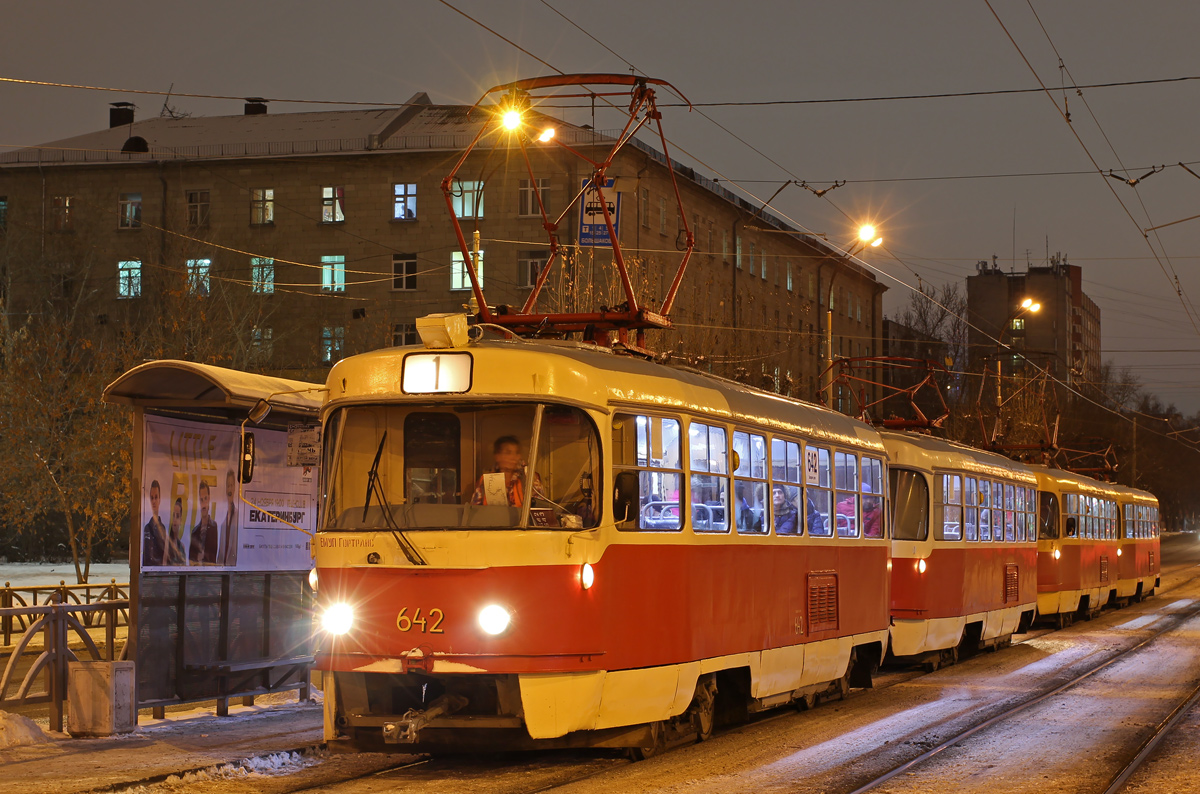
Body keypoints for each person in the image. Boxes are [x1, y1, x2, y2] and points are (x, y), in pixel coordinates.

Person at [471, 436, 543, 507]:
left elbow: (541, 508)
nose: (513, 457)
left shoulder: (529, 478)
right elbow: (474, 510)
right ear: (497, 456)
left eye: (516, 453)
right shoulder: (485, 481)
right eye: (508, 453)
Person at [189, 480, 219, 565]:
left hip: (209, 574)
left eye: (205, 498)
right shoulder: (194, 532)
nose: (203, 503)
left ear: (209, 498)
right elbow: (191, 560)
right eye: (201, 500)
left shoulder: (214, 527)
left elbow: (213, 557)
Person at [142, 480, 167, 567]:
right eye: (152, 498)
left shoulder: (162, 529)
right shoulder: (146, 528)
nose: (154, 501)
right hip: (146, 572)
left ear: (160, 499)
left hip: (158, 572)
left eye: (156, 497)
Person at [217, 470, 239, 567]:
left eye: (231, 485)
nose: (229, 489)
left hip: (234, 569)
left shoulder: (238, 516)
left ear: (235, 488)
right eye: (228, 486)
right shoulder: (222, 519)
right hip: (221, 569)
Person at [165, 497, 187, 566]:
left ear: (181, 519)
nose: (174, 519)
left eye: (177, 516)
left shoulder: (181, 547)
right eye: (173, 515)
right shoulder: (166, 543)